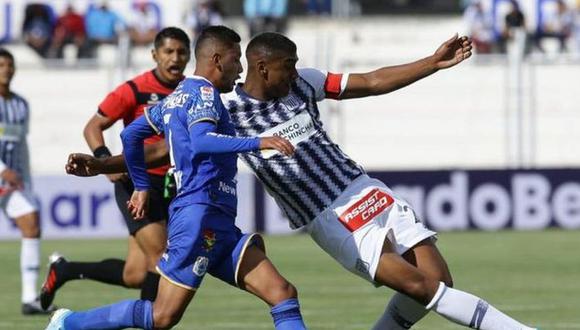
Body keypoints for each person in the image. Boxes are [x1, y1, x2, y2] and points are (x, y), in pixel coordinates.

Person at [63, 32, 539, 329]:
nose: (296, 71)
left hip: (367, 190)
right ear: (263, 66)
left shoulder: (304, 82)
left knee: (438, 280)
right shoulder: (226, 111)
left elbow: (370, 82)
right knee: (421, 289)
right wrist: (101, 166)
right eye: (288, 65)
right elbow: (166, 150)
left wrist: (430, 64)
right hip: (330, 216)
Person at [47, 25, 307, 330]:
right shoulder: (205, 93)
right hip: (198, 216)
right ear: (218, 59)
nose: (240, 69)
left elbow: (132, 134)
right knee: (162, 317)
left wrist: (141, 185)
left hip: (217, 221)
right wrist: (259, 142)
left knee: (282, 293)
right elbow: (201, 140)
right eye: (237, 60)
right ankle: (69, 323)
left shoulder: (177, 96)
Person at [39, 27, 191, 310]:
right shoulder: (134, 89)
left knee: (134, 274)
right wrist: (104, 160)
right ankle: (150, 323)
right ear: (154, 54)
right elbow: (93, 126)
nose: (175, 58)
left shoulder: (189, 91)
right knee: (161, 257)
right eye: (169, 51)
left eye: (182, 52)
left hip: (172, 184)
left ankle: (65, 270)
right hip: (137, 185)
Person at [0, 48, 56, 315]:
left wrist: (24, 178)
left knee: (31, 222)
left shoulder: (20, 105)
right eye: (1, 65)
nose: (6, 69)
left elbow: (20, 144)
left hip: (10, 181)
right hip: (3, 175)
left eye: (10, 65)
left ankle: (30, 298)